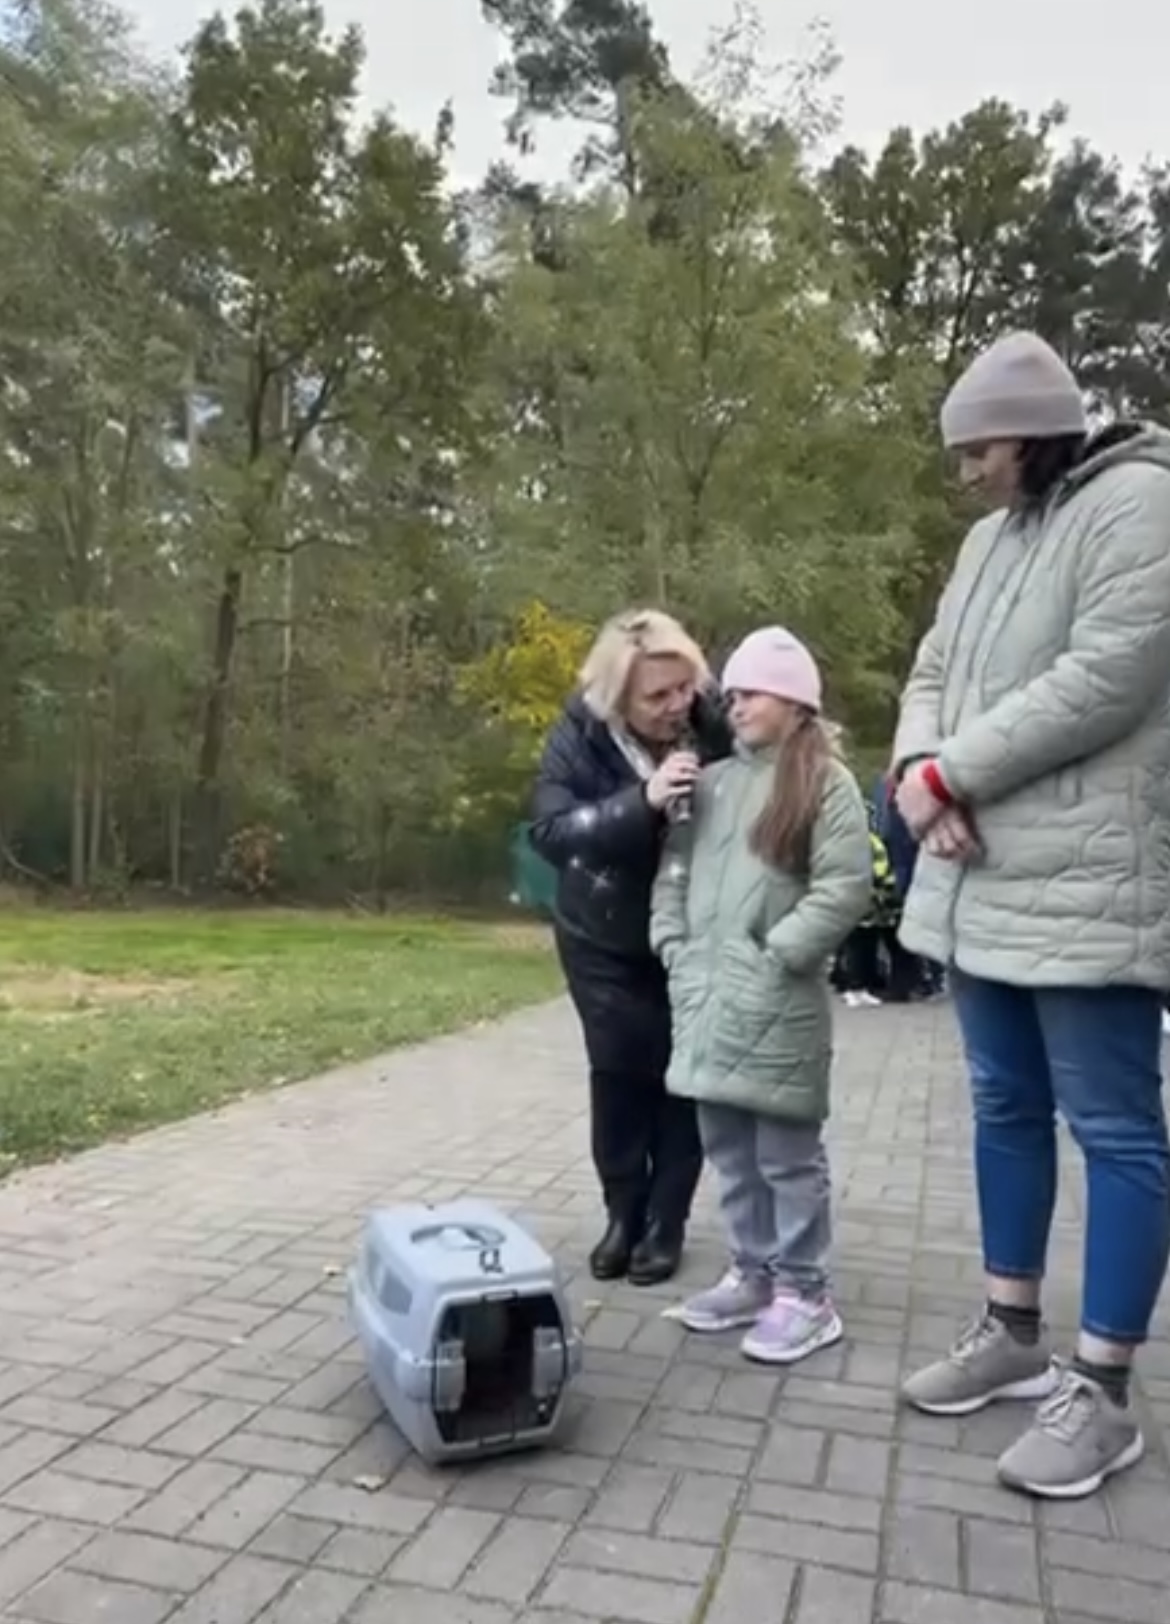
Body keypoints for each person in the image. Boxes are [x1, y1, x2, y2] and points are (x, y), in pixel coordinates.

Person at [891, 330, 1170, 1499]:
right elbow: (931, 672)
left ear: (1035, 432)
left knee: (1114, 1128)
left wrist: (952, 775)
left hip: (1091, 880)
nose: (967, 474)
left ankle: (1104, 1391)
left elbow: (1108, 676)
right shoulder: (984, 541)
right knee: (1004, 1104)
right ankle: (1012, 1333)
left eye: (980, 451)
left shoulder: (1140, 503)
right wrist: (917, 776)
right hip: (980, 875)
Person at [650, 626, 871, 1362]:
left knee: (786, 1155)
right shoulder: (710, 784)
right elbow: (674, 871)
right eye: (733, 693)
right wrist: (673, 944)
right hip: (706, 1000)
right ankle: (753, 1272)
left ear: (795, 700)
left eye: (752, 693)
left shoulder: (825, 784)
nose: (735, 705)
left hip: (778, 1002)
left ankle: (806, 1292)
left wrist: (779, 953)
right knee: (730, 1152)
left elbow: (844, 886)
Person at [530, 609, 733, 1285]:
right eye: (657, 696)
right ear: (618, 698)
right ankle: (623, 1213)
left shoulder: (715, 719)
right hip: (603, 933)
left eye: (684, 687)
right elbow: (551, 833)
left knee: (682, 1077)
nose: (677, 704)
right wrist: (641, 800)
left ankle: (666, 1222)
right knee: (618, 1072)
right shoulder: (580, 733)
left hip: (696, 928)